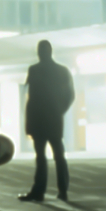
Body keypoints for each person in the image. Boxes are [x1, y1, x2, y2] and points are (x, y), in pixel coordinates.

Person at [19, 39, 75, 202]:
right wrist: (60, 111)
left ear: (40, 52)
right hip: (54, 120)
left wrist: (29, 123)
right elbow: (70, 95)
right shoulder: (62, 71)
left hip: (38, 121)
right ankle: (63, 191)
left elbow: (31, 98)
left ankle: (39, 192)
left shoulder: (34, 70)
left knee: (41, 158)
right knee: (59, 155)